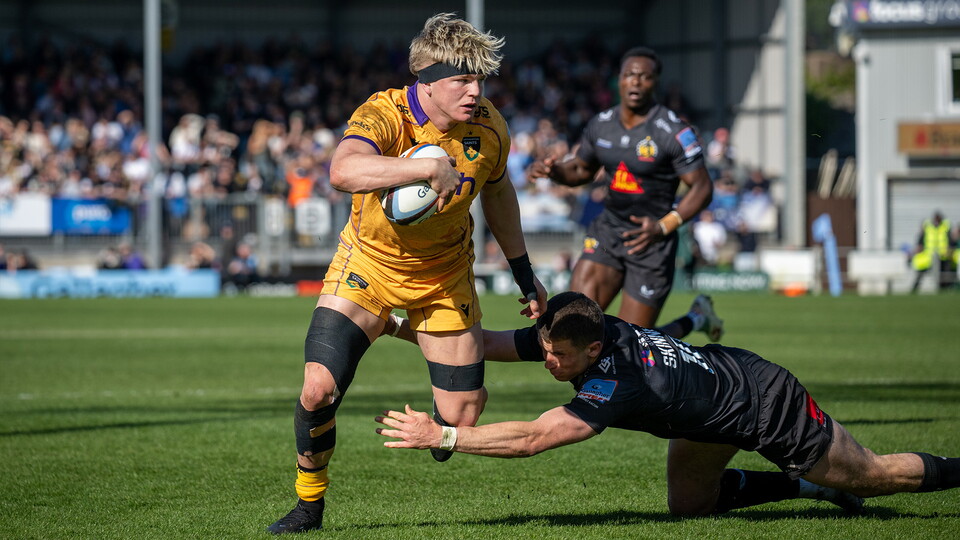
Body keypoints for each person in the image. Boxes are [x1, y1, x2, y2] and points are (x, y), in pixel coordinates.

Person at [267, 13, 548, 534]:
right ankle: (309, 504)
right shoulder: (385, 112)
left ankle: (426, 351)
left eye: (479, 79)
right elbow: (342, 171)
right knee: (317, 390)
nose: (474, 91)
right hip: (367, 266)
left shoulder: (488, 127)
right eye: (461, 79)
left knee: (462, 419)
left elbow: (500, 194)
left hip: (444, 277)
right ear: (427, 79)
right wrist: (422, 166)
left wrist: (525, 273)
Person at [377, 292, 960, 517]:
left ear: (595, 350)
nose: (547, 362)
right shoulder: (581, 326)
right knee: (690, 508)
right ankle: (812, 488)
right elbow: (499, 344)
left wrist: (443, 436)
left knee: (874, 476)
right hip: (716, 401)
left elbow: (533, 438)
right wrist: (403, 329)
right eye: (547, 350)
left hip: (764, 403)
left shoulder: (615, 383)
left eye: (557, 357)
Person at [527, 47, 721, 342]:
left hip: (651, 243)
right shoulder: (601, 123)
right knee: (570, 326)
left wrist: (664, 225)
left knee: (629, 345)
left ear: (655, 82)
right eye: (630, 75)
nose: (636, 82)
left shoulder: (673, 131)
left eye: (645, 77)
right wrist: (553, 171)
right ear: (619, 80)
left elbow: (703, 187)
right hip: (609, 231)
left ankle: (696, 317)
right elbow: (580, 170)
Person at [911, 211, 955, 292]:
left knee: (944, 273)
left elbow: (950, 240)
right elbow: (921, 239)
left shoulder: (945, 227)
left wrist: (949, 249)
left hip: (943, 255)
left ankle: (944, 288)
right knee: (921, 272)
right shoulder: (928, 227)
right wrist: (919, 247)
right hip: (929, 255)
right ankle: (914, 289)